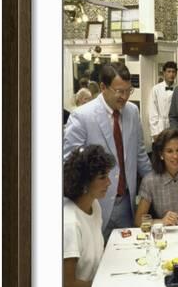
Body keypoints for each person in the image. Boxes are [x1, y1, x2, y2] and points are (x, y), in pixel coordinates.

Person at [64, 62, 152, 241]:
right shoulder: (82, 116)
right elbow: (70, 166)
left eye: (129, 90)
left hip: (126, 203)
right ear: (103, 87)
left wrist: (159, 184)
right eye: (120, 91)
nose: (125, 97)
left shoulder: (133, 112)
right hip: (94, 204)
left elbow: (140, 154)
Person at [63, 144, 115, 287]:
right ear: (84, 183)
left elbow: (95, 248)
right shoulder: (70, 223)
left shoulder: (95, 205)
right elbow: (68, 285)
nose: (109, 182)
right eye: (102, 178)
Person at [149, 61, 178, 142]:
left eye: (173, 72)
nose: (171, 74)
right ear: (164, 73)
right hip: (159, 128)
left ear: (176, 73)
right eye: (169, 71)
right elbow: (153, 111)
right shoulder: (156, 89)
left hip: (173, 127)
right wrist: (154, 132)